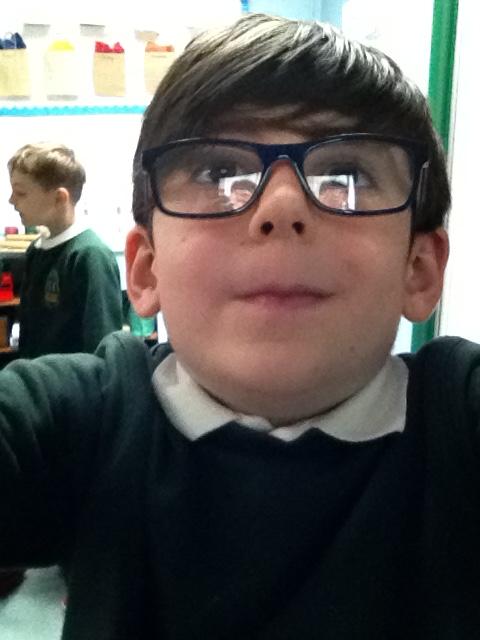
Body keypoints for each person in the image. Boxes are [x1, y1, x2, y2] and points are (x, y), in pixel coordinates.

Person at [1, 12, 478, 639]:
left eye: (347, 177)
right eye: (219, 174)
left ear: (419, 268)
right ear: (145, 270)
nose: (282, 206)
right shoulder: (81, 421)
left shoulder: (459, 423)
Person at [7, 142, 123, 357]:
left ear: (59, 199)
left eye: (20, 193)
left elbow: (103, 348)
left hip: (71, 380)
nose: (11, 201)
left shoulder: (90, 255)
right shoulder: (36, 250)